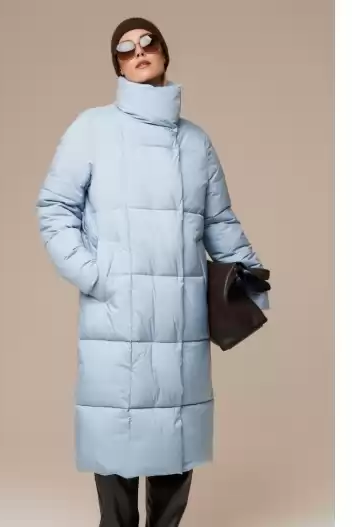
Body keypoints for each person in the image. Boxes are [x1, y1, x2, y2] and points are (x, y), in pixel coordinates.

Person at [36, 16, 269, 527]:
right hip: (116, 316)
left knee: (174, 446)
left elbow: (218, 221)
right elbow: (55, 209)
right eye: (126, 47)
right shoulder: (91, 129)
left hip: (181, 320)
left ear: (164, 53)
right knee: (115, 447)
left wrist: (250, 278)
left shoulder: (196, 143)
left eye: (148, 42)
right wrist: (96, 275)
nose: (139, 51)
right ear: (117, 65)